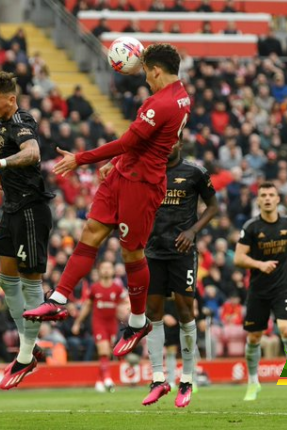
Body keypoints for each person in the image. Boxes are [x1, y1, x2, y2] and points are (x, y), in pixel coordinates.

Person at [24, 44, 191, 360]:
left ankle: (138, 322)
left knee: (131, 253)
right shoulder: (180, 96)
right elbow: (145, 143)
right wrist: (116, 164)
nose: (145, 79)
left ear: (156, 70)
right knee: (90, 233)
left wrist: (81, 159)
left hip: (142, 185)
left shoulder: (163, 103)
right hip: (123, 174)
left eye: (146, 73)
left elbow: (129, 141)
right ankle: (59, 298)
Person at [0, 71, 55, 390]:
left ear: (10, 99)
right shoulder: (3, 125)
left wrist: (2, 165)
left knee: (30, 281)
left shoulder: (22, 120)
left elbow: (32, 153)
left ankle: (24, 356)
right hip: (12, 209)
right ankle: (27, 347)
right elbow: (14, 157)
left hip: (31, 211)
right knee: (6, 279)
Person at [143, 140, 219, 408]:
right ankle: (158, 378)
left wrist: (193, 231)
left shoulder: (195, 172)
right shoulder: (148, 170)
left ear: (180, 142)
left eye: (172, 139)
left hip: (183, 252)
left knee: (187, 312)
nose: (167, 144)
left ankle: (186, 380)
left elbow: (213, 207)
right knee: (152, 312)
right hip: (153, 251)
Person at [234, 182, 287, 401]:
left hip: (282, 288)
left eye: (271, 195)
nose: (267, 198)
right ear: (258, 200)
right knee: (254, 338)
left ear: (278, 199)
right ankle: (253, 382)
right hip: (258, 290)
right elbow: (238, 258)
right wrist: (259, 265)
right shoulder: (251, 227)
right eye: (263, 195)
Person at [71, 261, 129, 392]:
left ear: (113, 271)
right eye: (103, 268)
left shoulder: (117, 288)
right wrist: (77, 322)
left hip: (112, 324)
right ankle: (108, 380)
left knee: (107, 353)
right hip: (99, 323)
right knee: (103, 350)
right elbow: (87, 306)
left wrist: (126, 310)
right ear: (99, 271)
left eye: (109, 268)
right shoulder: (95, 288)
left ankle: (99, 381)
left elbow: (127, 302)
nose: (106, 270)